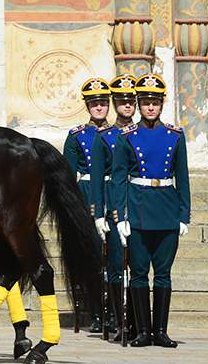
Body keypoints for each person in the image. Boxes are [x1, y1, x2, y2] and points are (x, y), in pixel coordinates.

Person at [112, 74, 189, 349]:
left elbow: (183, 177)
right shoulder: (127, 137)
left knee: (164, 274)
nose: (150, 107)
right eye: (145, 102)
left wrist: (184, 215)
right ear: (139, 104)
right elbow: (119, 179)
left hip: (167, 210)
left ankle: (161, 332)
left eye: (155, 102)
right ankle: (143, 331)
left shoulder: (175, 136)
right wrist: (120, 217)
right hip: (139, 211)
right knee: (139, 274)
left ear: (161, 104)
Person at [89, 74, 137, 340]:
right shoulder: (104, 136)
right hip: (113, 205)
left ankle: (138, 323)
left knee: (137, 266)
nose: (127, 106)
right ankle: (119, 321)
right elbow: (97, 178)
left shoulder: (141, 133)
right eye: (121, 101)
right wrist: (98, 213)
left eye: (131, 101)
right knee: (116, 264)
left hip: (138, 204)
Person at [63, 76, 111, 332]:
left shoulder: (118, 134)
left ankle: (112, 311)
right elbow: (67, 177)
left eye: (103, 102)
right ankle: (93, 311)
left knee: (111, 257)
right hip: (85, 195)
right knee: (89, 257)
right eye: (94, 103)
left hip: (109, 191)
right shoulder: (77, 136)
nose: (99, 108)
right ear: (87, 106)